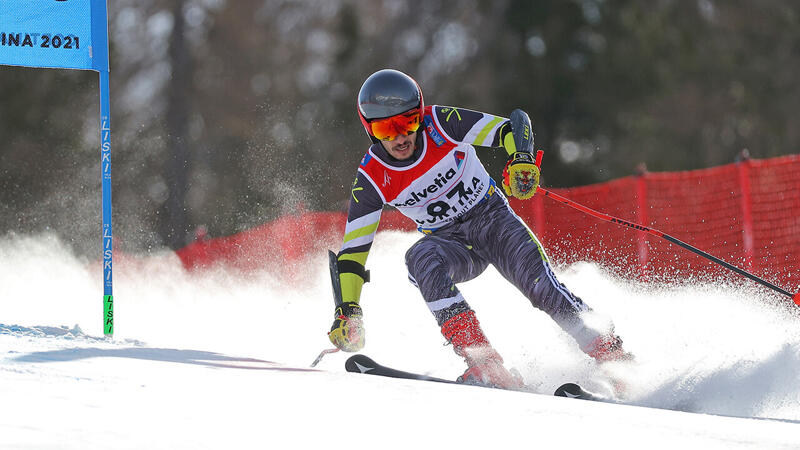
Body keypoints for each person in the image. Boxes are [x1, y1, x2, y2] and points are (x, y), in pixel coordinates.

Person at [327, 69, 630, 389]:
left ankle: (613, 358)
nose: (400, 136)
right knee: (419, 258)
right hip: (450, 244)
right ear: (370, 129)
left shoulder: (440, 123)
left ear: (420, 116)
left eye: (408, 123)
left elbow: (511, 126)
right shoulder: (372, 177)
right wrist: (348, 310)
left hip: (492, 221)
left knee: (540, 286)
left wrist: (521, 158)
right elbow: (354, 250)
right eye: (386, 128)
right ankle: (485, 363)